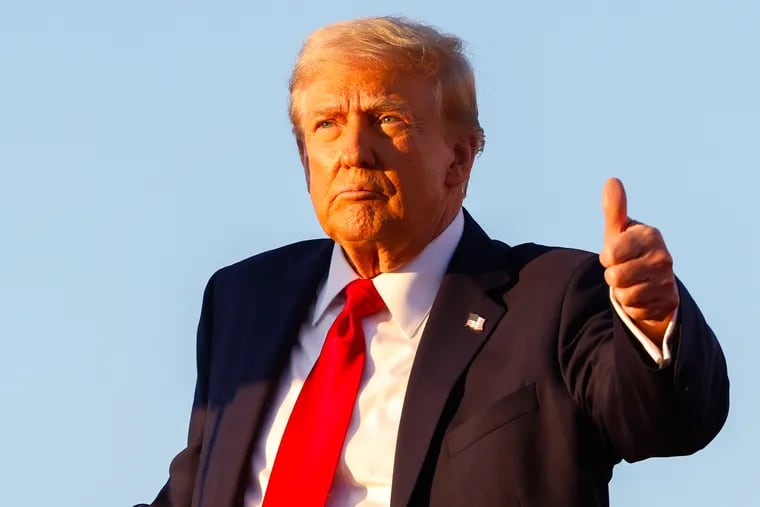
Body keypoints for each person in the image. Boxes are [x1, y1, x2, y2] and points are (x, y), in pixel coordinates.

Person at [137, 16, 729, 507]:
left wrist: (653, 327)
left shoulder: (554, 297)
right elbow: (197, 488)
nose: (353, 153)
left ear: (460, 157)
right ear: (304, 158)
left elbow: (665, 421)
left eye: (387, 120)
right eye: (326, 125)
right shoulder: (244, 299)